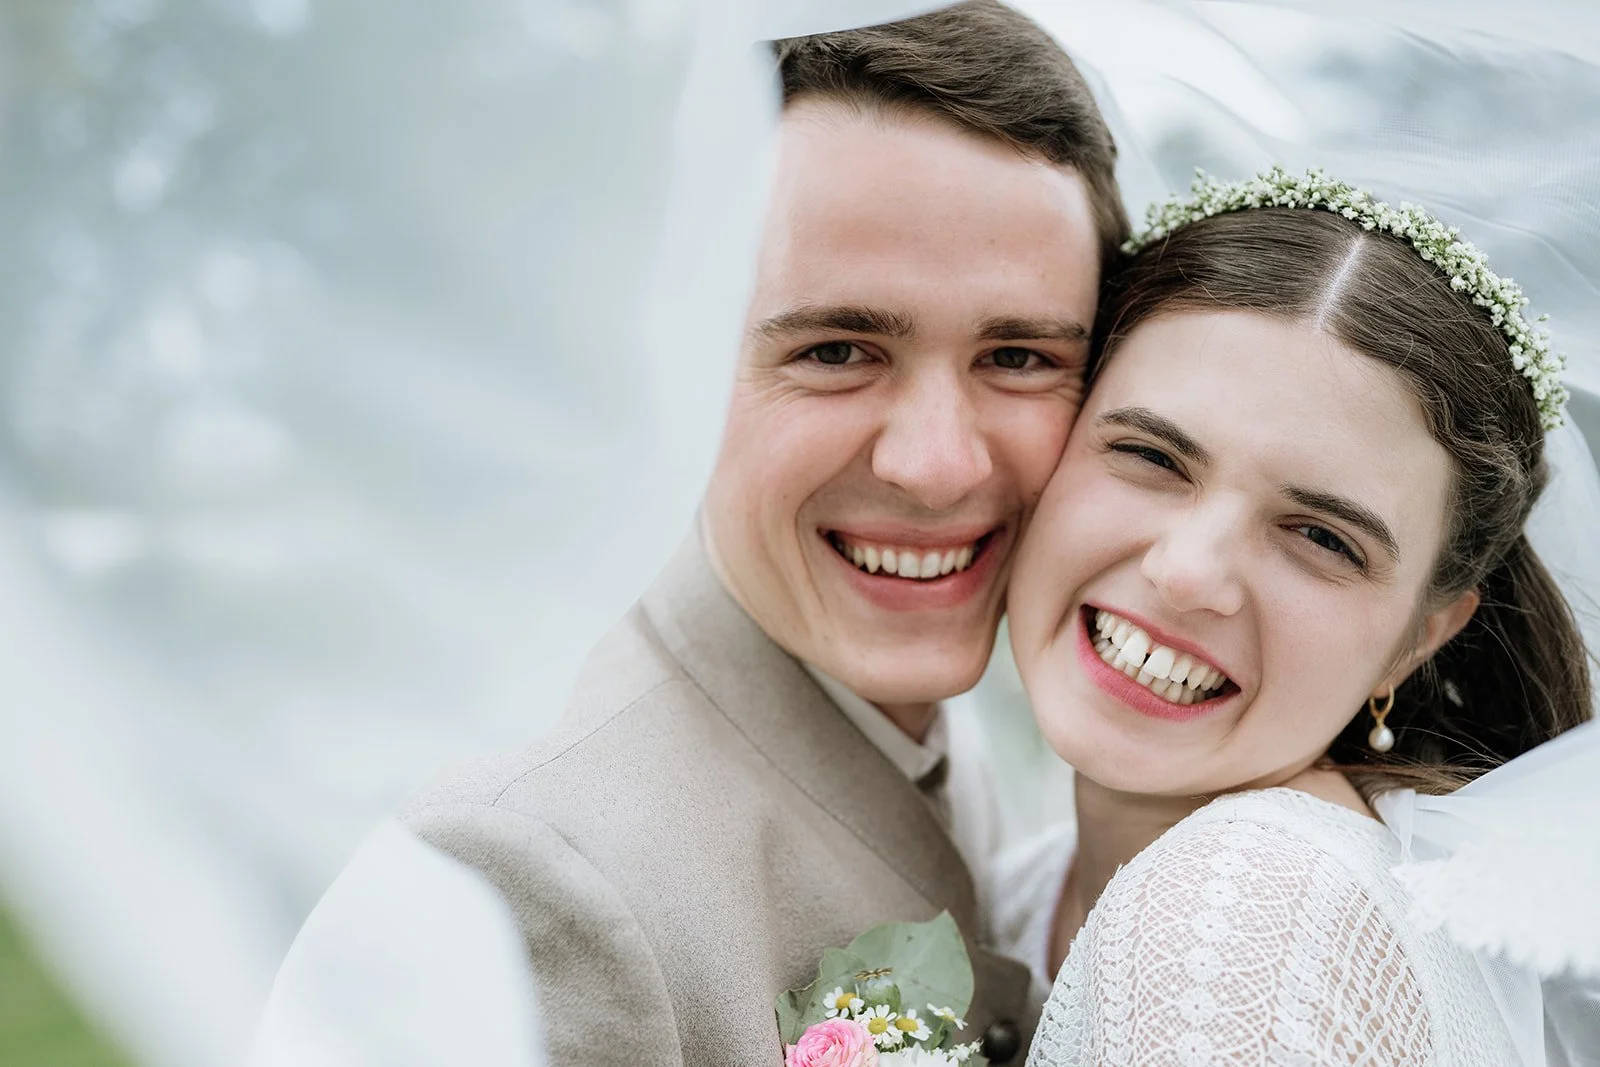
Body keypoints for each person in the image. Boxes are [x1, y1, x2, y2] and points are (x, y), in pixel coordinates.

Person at [400, 4, 1126, 1064]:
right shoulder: (524, 873)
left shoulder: (961, 729)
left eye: (1018, 357)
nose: (939, 464)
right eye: (837, 351)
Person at [999, 170, 1596, 1065]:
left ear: (1420, 637)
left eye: (1320, 536)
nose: (1187, 573)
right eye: (1153, 455)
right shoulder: (1020, 885)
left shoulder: (1244, 907)